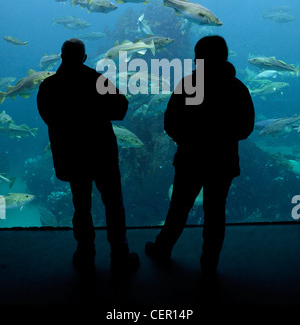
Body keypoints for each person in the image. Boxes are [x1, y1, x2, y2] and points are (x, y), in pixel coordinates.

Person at [145, 35, 255, 274]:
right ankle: (209, 264)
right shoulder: (237, 88)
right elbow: (246, 128)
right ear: (225, 56)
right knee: (215, 214)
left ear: (198, 58)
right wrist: (223, 138)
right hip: (223, 161)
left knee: (178, 210)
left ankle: (162, 249)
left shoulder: (187, 84)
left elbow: (170, 122)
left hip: (190, 159)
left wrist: (186, 140)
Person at [37, 38, 139, 274]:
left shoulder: (49, 86)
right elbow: (121, 109)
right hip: (101, 153)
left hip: (72, 156)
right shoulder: (97, 80)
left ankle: (85, 255)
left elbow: (48, 116)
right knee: (114, 205)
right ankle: (120, 256)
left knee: (81, 207)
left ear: (61, 56)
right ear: (84, 57)